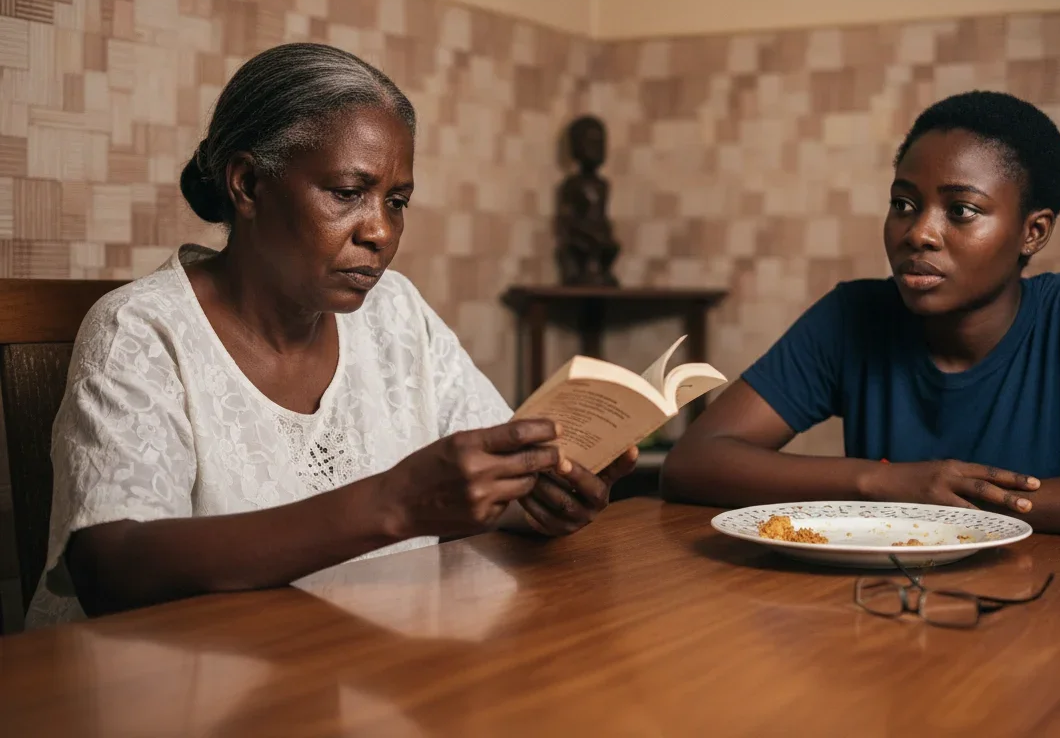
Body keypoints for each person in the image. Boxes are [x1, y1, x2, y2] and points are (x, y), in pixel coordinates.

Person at [27, 43, 636, 628]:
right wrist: (391, 504)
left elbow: (477, 491)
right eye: (347, 193)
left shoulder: (397, 313)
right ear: (247, 184)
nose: (379, 231)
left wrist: (540, 502)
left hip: (354, 666)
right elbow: (110, 569)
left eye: (396, 201)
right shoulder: (143, 329)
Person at [662, 91, 1060, 543]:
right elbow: (694, 461)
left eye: (962, 211)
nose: (918, 233)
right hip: (887, 618)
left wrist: (957, 504)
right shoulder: (854, 315)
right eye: (903, 203)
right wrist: (884, 483)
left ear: (1034, 232)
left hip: (1055, 619)